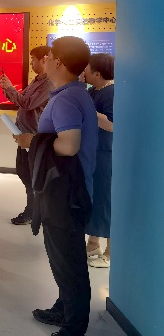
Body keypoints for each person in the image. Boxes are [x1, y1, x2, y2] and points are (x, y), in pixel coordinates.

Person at [19, 36, 97, 336]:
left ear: (59, 62)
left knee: (69, 262)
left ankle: (73, 327)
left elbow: (69, 144)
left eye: (49, 56)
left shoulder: (65, 98)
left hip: (66, 193)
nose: (45, 60)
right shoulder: (74, 92)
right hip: (67, 189)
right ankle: (64, 308)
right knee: (63, 258)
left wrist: (32, 140)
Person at [0, 46, 52, 225]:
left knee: (33, 177)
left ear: (45, 59)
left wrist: (9, 88)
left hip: (35, 139)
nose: (31, 64)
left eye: (33, 60)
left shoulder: (49, 83)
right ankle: (35, 209)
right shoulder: (36, 81)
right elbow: (21, 101)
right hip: (24, 138)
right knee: (25, 174)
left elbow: (27, 103)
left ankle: (34, 211)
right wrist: (7, 89)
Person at [83, 53, 114, 268]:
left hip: (105, 155)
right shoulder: (93, 91)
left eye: (87, 68)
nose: (83, 72)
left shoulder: (112, 92)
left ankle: (111, 252)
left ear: (97, 73)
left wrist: (89, 111)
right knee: (94, 199)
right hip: (92, 154)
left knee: (106, 201)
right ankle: (93, 243)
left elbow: (112, 124)